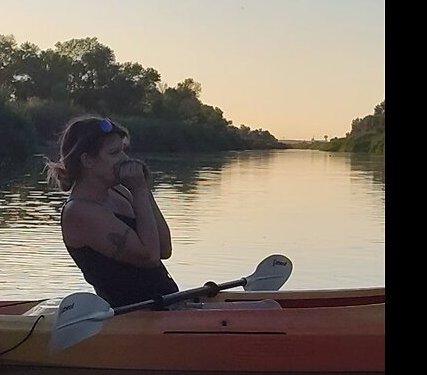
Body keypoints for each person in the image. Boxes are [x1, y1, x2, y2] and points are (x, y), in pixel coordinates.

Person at [44, 115, 276, 310]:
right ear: (88, 161)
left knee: (270, 306)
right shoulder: (80, 212)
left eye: (123, 151)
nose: (124, 159)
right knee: (269, 310)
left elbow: (164, 248)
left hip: (167, 303)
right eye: (114, 153)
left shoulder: (121, 192)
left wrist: (143, 191)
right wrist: (139, 192)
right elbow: (149, 256)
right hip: (135, 315)